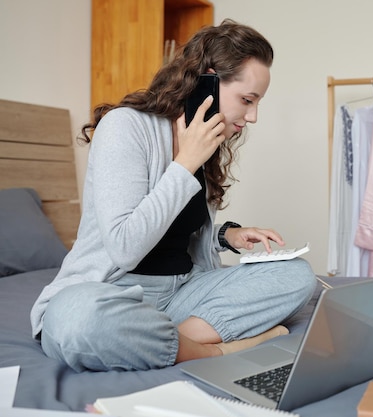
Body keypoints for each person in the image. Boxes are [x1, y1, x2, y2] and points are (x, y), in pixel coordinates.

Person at [29, 19, 318, 372]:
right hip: (113, 292)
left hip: (182, 293)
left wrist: (226, 235)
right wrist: (184, 164)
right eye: (247, 100)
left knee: (297, 275)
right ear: (207, 81)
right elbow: (126, 247)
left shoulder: (206, 142)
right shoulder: (125, 127)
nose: (252, 116)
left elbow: (175, 233)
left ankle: (160, 339)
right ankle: (214, 352)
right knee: (76, 320)